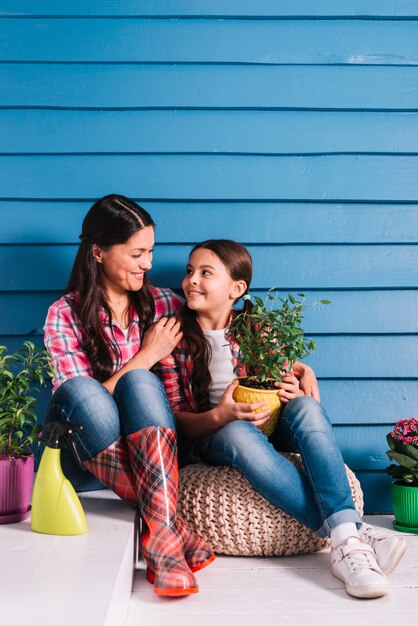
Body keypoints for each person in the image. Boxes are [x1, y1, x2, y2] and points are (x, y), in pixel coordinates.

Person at [158, 239, 407, 600]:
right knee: (240, 432)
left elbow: (281, 374)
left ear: (237, 289)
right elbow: (176, 421)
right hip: (216, 435)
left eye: (205, 273)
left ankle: (345, 539)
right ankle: (351, 535)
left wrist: (294, 383)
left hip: (271, 427)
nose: (191, 280)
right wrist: (220, 415)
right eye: (189, 271)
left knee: (306, 407)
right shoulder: (176, 337)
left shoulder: (257, 328)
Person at [43, 194, 215, 597]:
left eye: (151, 252)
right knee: (89, 387)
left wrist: (294, 366)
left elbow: (228, 324)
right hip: (87, 456)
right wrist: (147, 355)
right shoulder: (64, 314)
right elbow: (86, 404)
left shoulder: (165, 305)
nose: (148, 264)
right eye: (137, 253)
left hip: (154, 451)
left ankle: (163, 542)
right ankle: (173, 529)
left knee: (140, 383)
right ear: (99, 252)